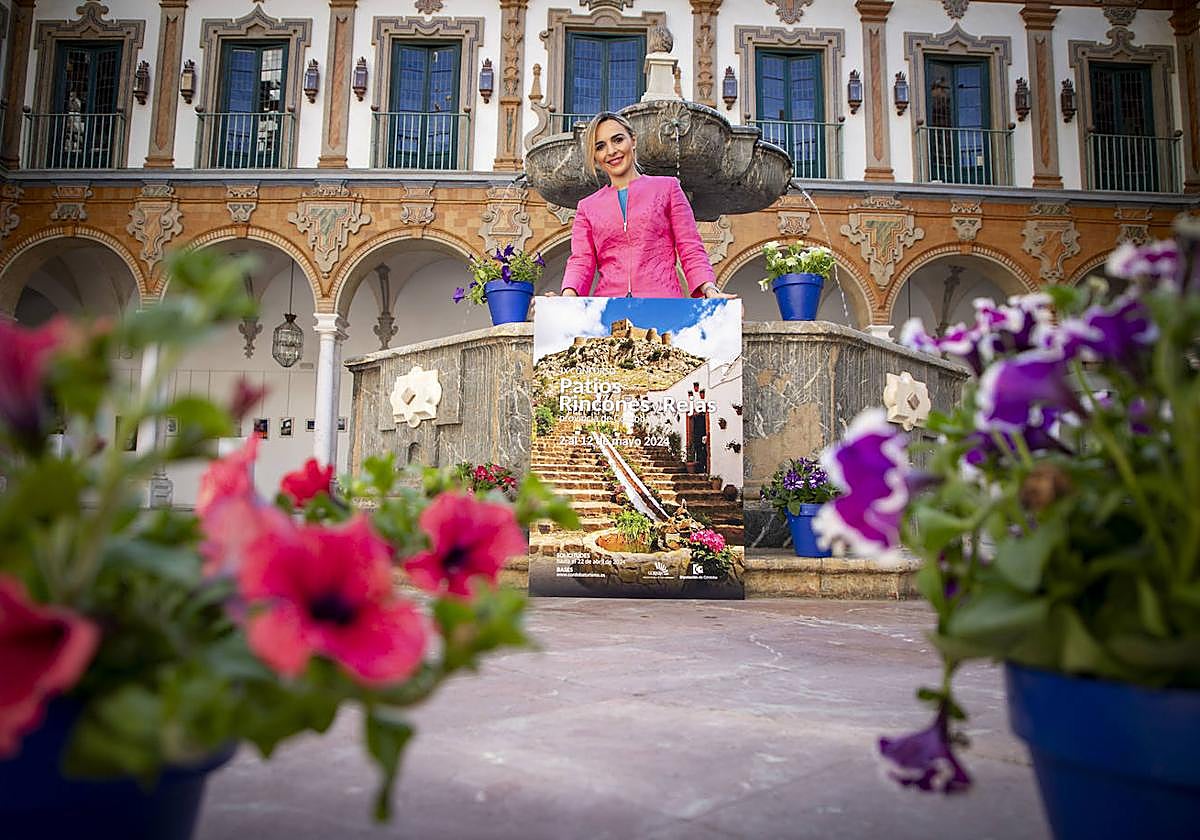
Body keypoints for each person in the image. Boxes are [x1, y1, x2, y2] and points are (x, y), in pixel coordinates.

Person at [553, 112, 733, 299]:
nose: (611, 151)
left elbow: (690, 246)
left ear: (633, 140)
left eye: (618, 140)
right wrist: (567, 295)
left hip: (663, 302)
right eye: (600, 146)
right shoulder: (587, 207)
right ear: (596, 156)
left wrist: (710, 290)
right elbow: (582, 260)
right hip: (609, 308)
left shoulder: (668, 188)